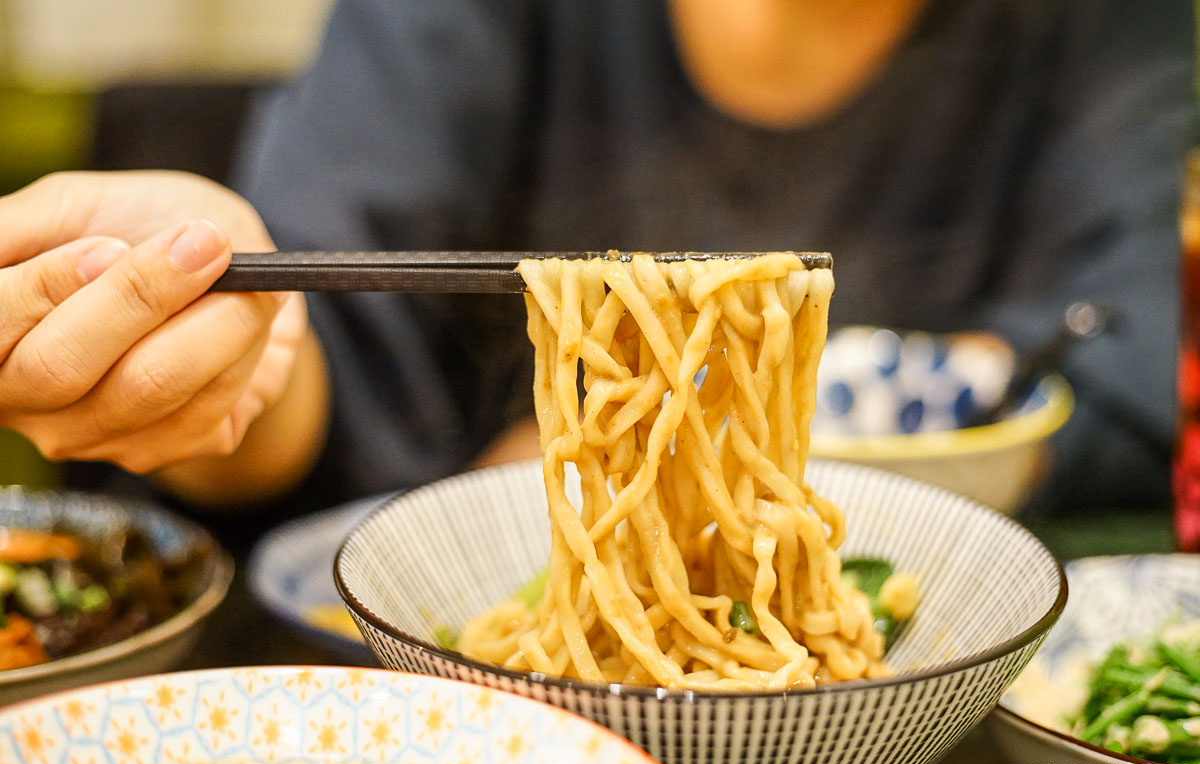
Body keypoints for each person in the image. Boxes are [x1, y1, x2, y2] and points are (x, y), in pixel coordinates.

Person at [0, 0, 1191, 527]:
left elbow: (1124, 376)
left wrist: (678, 436)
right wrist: (217, 357)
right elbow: (321, 368)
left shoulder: (1105, 23)